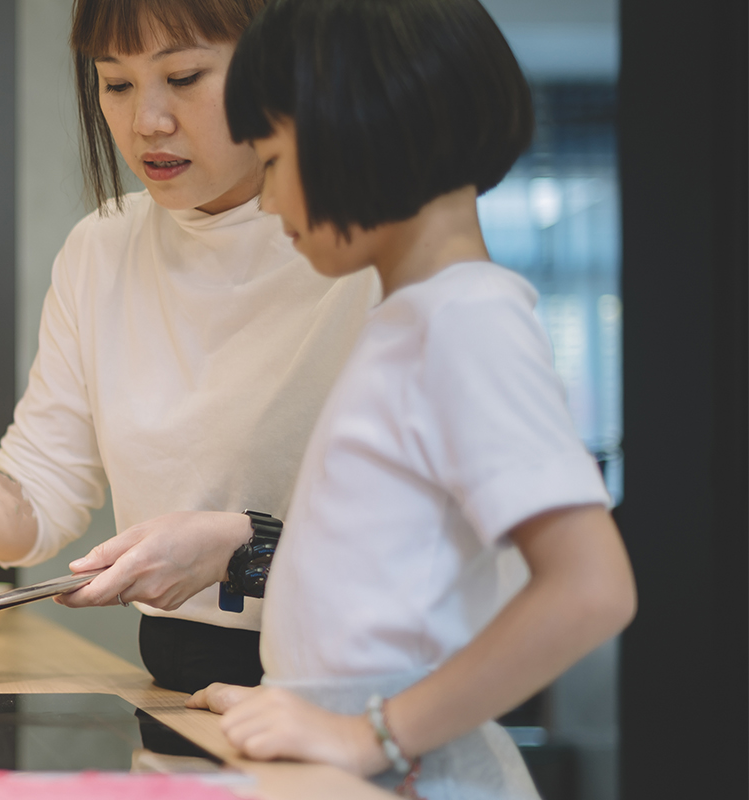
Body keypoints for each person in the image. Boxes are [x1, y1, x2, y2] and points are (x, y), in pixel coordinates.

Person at [0, 0, 380, 694]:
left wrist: (240, 547)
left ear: (281, 67)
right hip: (185, 696)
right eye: (116, 84)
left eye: (184, 77)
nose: (145, 123)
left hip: (354, 698)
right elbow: (32, 507)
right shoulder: (102, 251)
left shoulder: (372, 250)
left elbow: (427, 551)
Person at [183, 0, 637, 796]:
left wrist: (365, 733)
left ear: (359, 129)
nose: (266, 201)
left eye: (274, 160)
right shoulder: (416, 318)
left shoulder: (467, 322)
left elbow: (591, 589)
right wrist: (297, 704)